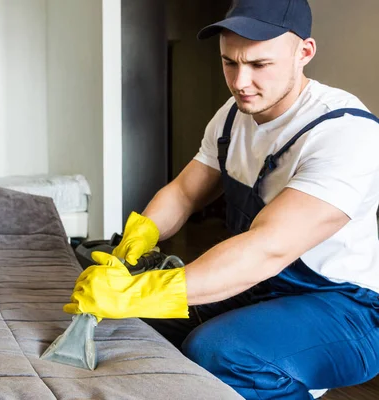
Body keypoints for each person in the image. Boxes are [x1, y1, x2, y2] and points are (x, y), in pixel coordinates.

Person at [63, 0, 379, 398]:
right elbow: (183, 192)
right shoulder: (233, 115)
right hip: (260, 285)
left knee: (219, 350)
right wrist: (136, 240)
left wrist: (141, 291)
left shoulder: (344, 133)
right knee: (134, 322)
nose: (240, 81)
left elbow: (267, 248)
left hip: (346, 308)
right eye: (230, 62)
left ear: (305, 52)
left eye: (260, 65)